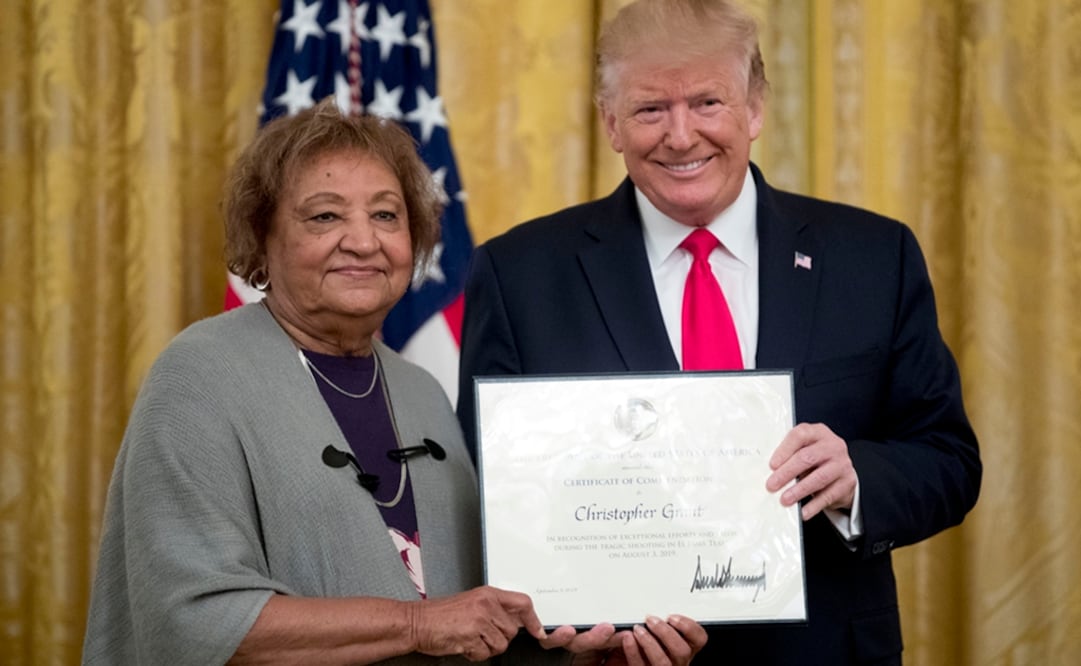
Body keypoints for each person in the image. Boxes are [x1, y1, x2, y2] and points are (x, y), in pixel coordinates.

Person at [82, 98, 703, 665]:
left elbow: (471, 620)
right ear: (262, 239)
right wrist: (415, 625)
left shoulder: (423, 392)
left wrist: (579, 655)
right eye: (325, 216)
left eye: (386, 214)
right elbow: (193, 622)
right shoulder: (199, 377)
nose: (363, 241)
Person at [456, 1, 982, 664]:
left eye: (707, 102)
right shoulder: (520, 274)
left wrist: (855, 481)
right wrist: (567, 640)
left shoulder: (873, 257)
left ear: (755, 109)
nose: (680, 136)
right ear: (609, 123)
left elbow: (947, 461)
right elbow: (487, 494)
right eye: (650, 109)